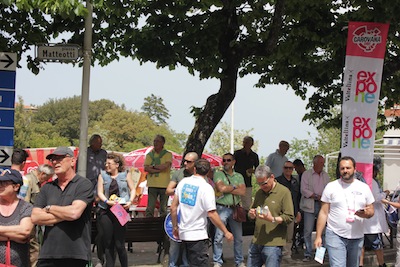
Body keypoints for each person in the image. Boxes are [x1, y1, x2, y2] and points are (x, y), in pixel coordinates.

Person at [31, 146, 94, 267]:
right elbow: (35, 217)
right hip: (47, 254)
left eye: (60, 158)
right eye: (53, 159)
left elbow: (74, 213)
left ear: (72, 161)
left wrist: (50, 208)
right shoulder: (47, 188)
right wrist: (66, 214)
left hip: (75, 254)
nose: (55, 162)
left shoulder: (83, 184)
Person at [170, 159, 234, 267]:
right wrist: (225, 231)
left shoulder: (183, 183)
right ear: (208, 172)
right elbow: (212, 213)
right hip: (198, 234)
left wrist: (175, 226)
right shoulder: (206, 188)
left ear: (194, 169)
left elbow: (173, 207)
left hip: (183, 232)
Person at [314, 156, 375, 267]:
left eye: (348, 168)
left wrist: (366, 214)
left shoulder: (364, 188)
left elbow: (371, 210)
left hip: (356, 236)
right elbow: (323, 213)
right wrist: (318, 236)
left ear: (354, 169)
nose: (345, 171)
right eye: (342, 168)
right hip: (335, 234)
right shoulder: (331, 187)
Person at [247, 165, 294, 267]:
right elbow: (252, 210)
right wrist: (251, 214)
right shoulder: (259, 192)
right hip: (256, 240)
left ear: (272, 177)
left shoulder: (284, 192)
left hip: (273, 243)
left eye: (264, 183)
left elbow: (289, 217)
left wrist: (272, 219)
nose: (261, 186)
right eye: (259, 183)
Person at [97, 152, 136, 267]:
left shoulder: (125, 175)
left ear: (117, 165)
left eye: (109, 163)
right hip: (106, 211)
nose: (106, 165)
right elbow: (100, 192)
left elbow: (132, 189)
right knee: (108, 242)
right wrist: (106, 201)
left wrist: (130, 201)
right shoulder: (102, 175)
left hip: (121, 211)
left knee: (119, 243)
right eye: (106, 163)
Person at [166, 152, 199, 267]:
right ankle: (172, 264)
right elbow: (168, 190)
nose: (185, 163)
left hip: (192, 214)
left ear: (195, 163)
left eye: (189, 162)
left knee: (187, 242)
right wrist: (182, 191)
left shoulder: (199, 175)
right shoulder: (178, 173)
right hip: (178, 212)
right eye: (184, 160)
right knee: (175, 242)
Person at [213, 153, 246, 267]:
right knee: (218, 237)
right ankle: (217, 261)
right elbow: (220, 188)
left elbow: (243, 192)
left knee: (238, 238)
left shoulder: (239, 176)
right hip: (222, 207)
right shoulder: (218, 174)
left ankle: (239, 261)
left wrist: (228, 189)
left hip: (235, 208)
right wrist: (235, 187)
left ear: (233, 162)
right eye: (224, 160)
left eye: (228, 160)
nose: (226, 162)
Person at [21, 164, 54, 267]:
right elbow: (24, 203)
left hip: (33, 219)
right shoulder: (28, 180)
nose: (46, 181)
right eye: (46, 178)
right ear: (42, 174)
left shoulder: (37, 182)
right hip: (28, 219)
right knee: (33, 246)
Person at [0, 169, 34, 267]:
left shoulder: (26, 207)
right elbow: (20, 235)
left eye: (4, 183)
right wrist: (14, 236)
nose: (0, 185)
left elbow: (24, 231)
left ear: (16, 186)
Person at [300, 154, 330, 262]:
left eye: (323, 163)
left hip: (323, 204)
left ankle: (320, 255)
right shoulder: (306, 174)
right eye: (321, 163)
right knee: (307, 230)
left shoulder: (325, 176)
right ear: (315, 163)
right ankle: (308, 253)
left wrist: (323, 197)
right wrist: (316, 195)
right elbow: (303, 190)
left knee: (322, 231)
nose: (322, 165)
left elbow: (329, 190)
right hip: (310, 204)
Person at [359, 163, 389, 267]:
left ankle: (360, 264)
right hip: (372, 220)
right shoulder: (372, 183)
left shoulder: (359, 182)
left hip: (364, 218)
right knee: (377, 244)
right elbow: (376, 198)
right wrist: (385, 194)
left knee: (361, 244)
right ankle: (382, 264)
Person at [275, 161, 301, 261]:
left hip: (291, 212)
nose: (288, 170)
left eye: (290, 168)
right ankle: (276, 255)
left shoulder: (295, 182)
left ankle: (287, 255)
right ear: (283, 168)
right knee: (277, 234)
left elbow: (297, 198)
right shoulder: (277, 181)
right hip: (279, 212)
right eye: (286, 168)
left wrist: (298, 212)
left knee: (289, 235)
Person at [144, 135, 172, 217]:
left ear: (163, 143)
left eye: (158, 141)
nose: (155, 143)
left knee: (163, 208)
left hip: (164, 184)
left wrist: (152, 166)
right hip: (152, 184)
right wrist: (158, 168)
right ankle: (148, 224)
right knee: (150, 207)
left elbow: (165, 166)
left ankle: (162, 225)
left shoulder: (168, 154)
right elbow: (146, 168)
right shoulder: (149, 155)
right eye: (154, 141)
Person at [234, 136, 259, 210]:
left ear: (252, 144)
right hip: (236, 182)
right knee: (235, 202)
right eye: (244, 142)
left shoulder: (254, 156)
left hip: (247, 183)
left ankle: (246, 220)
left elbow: (258, 169)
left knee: (247, 204)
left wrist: (253, 171)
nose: (245, 144)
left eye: (247, 142)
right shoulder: (237, 154)